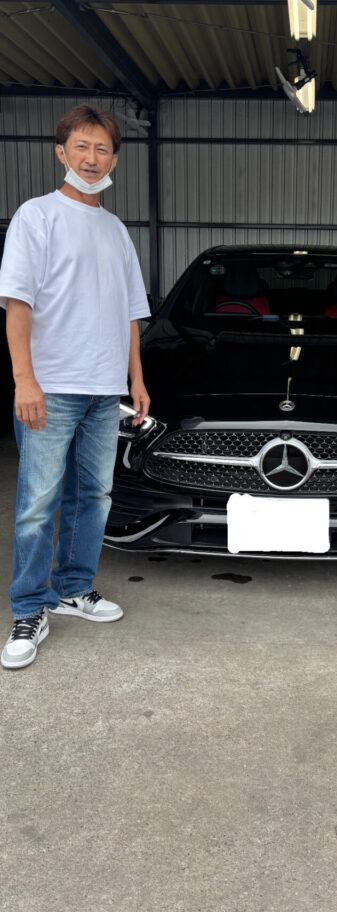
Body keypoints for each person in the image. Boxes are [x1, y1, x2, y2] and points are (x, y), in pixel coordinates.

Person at [0, 104, 151, 669]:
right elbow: (18, 304)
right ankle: (29, 607)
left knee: (94, 496)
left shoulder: (116, 231)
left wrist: (136, 379)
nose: (92, 158)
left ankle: (73, 588)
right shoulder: (36, 216)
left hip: (104, 391)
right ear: (61, 152)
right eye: (81, 147)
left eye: (102, 149)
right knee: (38, 503)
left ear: (115, 159)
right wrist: (24, 380)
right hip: (51, 387)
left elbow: (130, 313)